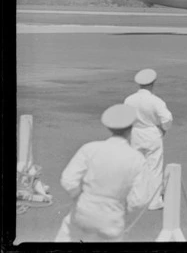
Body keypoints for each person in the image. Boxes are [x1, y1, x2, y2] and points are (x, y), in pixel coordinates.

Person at [55, 104, 150, 242]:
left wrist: (78, 196)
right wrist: (124, 208)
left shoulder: (90, 149)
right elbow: (139, 199)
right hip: (112, 218)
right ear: (131, 129)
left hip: (83, 211)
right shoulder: (137, 159)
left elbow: (68, 180)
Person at [124, 68, 173, 210]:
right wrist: (164, 128)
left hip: (135, 133)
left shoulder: (129, 100)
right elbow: (167, 118)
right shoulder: (155, 101)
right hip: (151, 133)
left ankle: (136, 197)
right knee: (154, 167)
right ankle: (154, 201)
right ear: (152, 83)